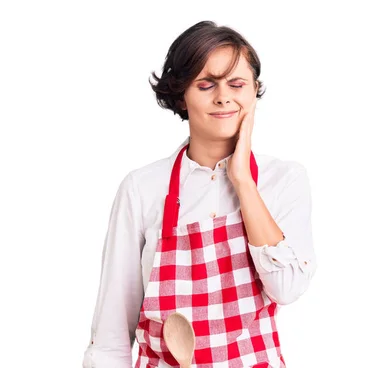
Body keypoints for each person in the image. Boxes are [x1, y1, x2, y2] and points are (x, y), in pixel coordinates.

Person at [82, 20, 317, 368]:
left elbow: (287, 287)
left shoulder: (282, 179)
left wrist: (243, 182)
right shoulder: (142, 188)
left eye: (237, 84)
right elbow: (112, 333)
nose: (223, 96)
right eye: (206, 84)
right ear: (181, 95)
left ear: (254, 91)